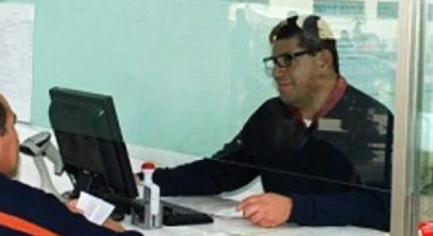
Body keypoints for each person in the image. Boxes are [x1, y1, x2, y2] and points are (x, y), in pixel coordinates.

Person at [151, 15, 393, 230]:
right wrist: (150, 180)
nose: (277, 72)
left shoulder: (373, 120)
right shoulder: (273, 115)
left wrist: (294, 208)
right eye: (274, 62)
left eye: (287, 60)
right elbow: (222, 172)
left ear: (323, 61)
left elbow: (380, 206)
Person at [0, 82, 143, 235]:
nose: (17, 137)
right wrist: (115, 230)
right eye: (12, 126)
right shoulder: (16, 205)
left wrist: (60, 217)